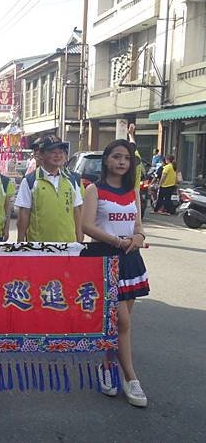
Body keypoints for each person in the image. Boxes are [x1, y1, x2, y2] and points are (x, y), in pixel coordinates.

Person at [81, 139, 149, 408]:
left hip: (131, 261)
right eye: (117, 157)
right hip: (105, 260)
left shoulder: (133, 191)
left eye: (127, 158)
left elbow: (139, 225)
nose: (122, 162)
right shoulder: (94, 190)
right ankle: (131, 378)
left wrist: (139, 236)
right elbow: (86, 226)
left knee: (119, 324)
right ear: (106, 160)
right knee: (122, 322)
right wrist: (116, 242)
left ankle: (107, 366)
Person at [15, 135, 84, 243]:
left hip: (68, 246)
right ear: (41, 154)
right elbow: (24, 214)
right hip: (40, 248)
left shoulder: (71, 180)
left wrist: (80, 240)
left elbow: (77, 212)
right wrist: (20, 243)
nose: (58, 155)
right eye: (53, 152)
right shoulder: (30, 181)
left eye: (61, 152)